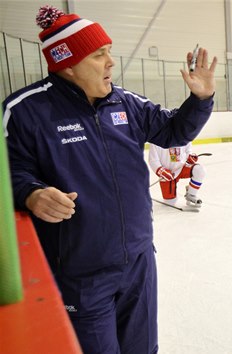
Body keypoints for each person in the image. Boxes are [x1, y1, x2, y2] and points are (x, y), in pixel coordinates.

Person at [3, 6, 217, 353]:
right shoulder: (25, 110)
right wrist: (31, 193)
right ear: (68, 65)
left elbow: (174, 129)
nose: (111, 62)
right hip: (80, 273)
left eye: (109, 52)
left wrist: (201, 99)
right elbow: (8, 172)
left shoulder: (125, 103)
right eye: (99, 54)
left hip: (138, 262)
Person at [148, 142, 205, 208]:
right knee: (170, 202)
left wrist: (190, 156)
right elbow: (153, 160)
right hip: (167, 175)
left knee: (199, 170)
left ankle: (191, 194)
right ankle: (172, 195)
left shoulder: (183, 134)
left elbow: (188, 150)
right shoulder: (156, 139)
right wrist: (161, 171)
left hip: (181, 168)